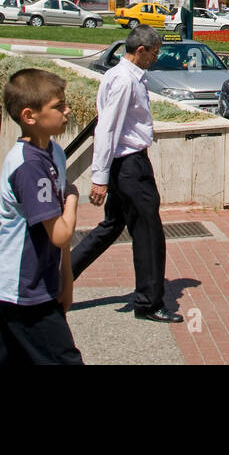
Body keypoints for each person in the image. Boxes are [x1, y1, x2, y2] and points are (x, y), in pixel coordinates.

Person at [70, 26, 182, 322]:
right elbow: (107, 129)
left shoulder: (120, 75)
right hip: (131, 166)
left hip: (125, 165)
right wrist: (99, 177)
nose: (155, 59)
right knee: (148, 233)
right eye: (154, 53)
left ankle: (60, 277)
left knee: (111, 226)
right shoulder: (124, 81)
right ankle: (148, 302)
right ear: (140, 50)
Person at [0, 69, 83, 364]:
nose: (67, 112)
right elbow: (60, 233)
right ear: (30, 116)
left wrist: (66, 281)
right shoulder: (28, 167)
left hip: (37, 283)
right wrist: (74, 197)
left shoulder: (54, 153)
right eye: (58, 106)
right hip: (23, 287)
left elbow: (59, 243)